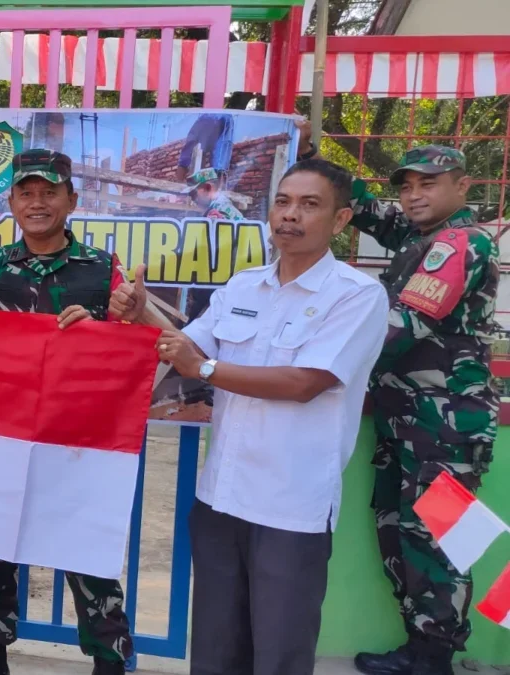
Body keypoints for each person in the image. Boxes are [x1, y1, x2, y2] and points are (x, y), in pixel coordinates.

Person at [110, 158, 390, 675]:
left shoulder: (356, 296)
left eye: (309, 205)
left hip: (290, 509)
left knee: (279, 653)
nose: (290, 216)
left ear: (342, 220)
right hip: (221, 499)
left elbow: (306, 383)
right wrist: (142, 312)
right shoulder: (244, 286)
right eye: (283, 202)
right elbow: (188, 345)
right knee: (216, 650)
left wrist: (208, 368)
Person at [0, 148, 133, 675]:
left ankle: (110, 659)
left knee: (85, 550)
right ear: (11, 201)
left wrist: (114, 324)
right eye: (25, 192)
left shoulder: (103, 271)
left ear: (72, 199)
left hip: (78, 441)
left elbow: (132, 348)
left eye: (49, 192)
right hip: (0, 438)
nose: (37, 202)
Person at [350, 146, 500, 675]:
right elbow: (366, 208)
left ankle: (433, 656)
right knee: (400, 528)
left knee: (437, 538)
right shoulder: (422, 238)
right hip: (410, 419)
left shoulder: (460, 243)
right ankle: (419, 645)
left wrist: (319, 365)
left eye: (429, 184)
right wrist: (305, 151)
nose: (414, 195)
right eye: (407, 185)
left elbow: (403, 327)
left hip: (445, 425)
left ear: (462, 188)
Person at [174, 113, 234, 184]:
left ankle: (195, 184)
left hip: (217, 119)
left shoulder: (222, 120)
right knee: (198, 154)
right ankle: (187, 183)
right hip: (211, 118)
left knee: (216, 164)